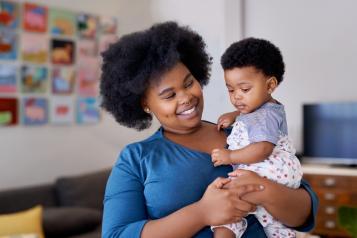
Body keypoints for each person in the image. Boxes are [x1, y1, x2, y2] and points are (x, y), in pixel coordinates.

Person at [100, 21, 318, 238]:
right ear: (144, 104)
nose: (186, 97)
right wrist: (201, 213)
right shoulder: (136, 158)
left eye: (188, 83)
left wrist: (263, 190)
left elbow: (304, 212)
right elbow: (116, 234)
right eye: (169, 95)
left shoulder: (244, 132)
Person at [211, 38, 303, 238]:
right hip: (278, 173)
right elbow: (253, 114)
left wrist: (230, 156)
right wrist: (234, 115)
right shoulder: (265, 107)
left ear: (270, 85)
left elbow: (262, 149)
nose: (236, 97)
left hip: (269, 167)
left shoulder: (266, 115)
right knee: (275, 224)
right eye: (230, 89)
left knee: (228, 204)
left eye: (244, 90)